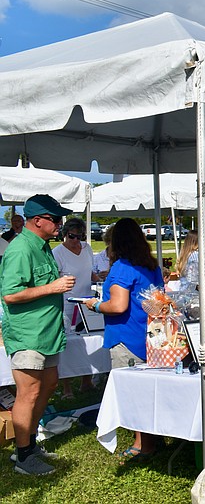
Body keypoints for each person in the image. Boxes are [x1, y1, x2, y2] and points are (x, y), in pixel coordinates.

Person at [1, 195, 74, 475]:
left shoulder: (42, 246)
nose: (60, 224)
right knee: (28, 393)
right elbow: (10, 294)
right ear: (38, 221)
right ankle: (23, 457)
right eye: (56, 219)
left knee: (49, 384)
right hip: (28, 334)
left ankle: (29, 444)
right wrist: (52, 288)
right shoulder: (20, 249)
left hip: (48, 332)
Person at [84, 218, 164, 462]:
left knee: (132, 394)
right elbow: (158, 302)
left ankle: (143, 444)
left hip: (126, 337)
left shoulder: (121, 267)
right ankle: (153, 436)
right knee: (150, 391)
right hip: (151, 336)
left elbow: (118, 306)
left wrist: (95, 305)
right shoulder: (151, 266)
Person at [52, 217, 96, 398]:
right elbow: (54, 281)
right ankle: (66, 387)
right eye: (72, 236)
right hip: (68, 304)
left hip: (87, 302)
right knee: (67, 347)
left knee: (88, 342)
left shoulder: (87, 249)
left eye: (80, 236)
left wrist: (98, 276)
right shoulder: (58, 253)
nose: (77, 240)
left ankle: (86, 382)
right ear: (64, 235)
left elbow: (89, 272)